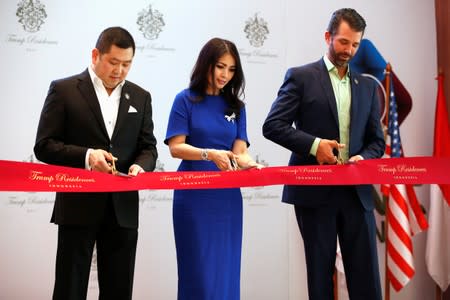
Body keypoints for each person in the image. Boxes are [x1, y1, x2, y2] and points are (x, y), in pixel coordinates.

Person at [263, 8, 384, 300]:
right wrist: (316, 146)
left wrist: (363, 159)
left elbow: (376, 142)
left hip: (357, 194)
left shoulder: (367, 86)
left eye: (355, 44)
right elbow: (273, 126)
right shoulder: (301, 77)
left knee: (367, 279)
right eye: (343, 42)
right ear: (328, 37)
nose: (349, 50)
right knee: (320, 280)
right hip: (315, 193)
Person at [34, 27, 158, 300]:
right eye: (114, 62)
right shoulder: (64, 90)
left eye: (127, 64)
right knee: (70, 288)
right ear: (95, 55)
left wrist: (142, 166)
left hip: (123, 209)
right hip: (78, 205)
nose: (120, 70)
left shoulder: (141, 96)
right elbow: (44, 146)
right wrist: (88, 156)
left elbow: (148, 147)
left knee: (119, 290)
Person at [165, 37, 262, 300]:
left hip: (227, 198)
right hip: (193, 195)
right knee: (197, 270)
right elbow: (176, 148)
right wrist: (209, 154)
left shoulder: (237, 108)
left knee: (226, 270)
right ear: (206, 64)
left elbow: (239, 152)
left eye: (231, 70)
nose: (225, 75)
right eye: (220, 67)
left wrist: (251, 164)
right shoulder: (184, 100)